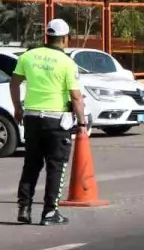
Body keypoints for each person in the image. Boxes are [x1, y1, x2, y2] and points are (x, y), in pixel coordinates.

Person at [9, 19, 87, 226]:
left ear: (47, 36)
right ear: (64, 38)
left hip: (32, 118)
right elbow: (76, 97)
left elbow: (14, 82)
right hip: (56, 121)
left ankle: (24, 208)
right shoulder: (67, 62)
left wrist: (17, 107)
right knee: (56, 166)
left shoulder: (28, 56)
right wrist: (82, 123)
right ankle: (50, 212)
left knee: (31, 165)